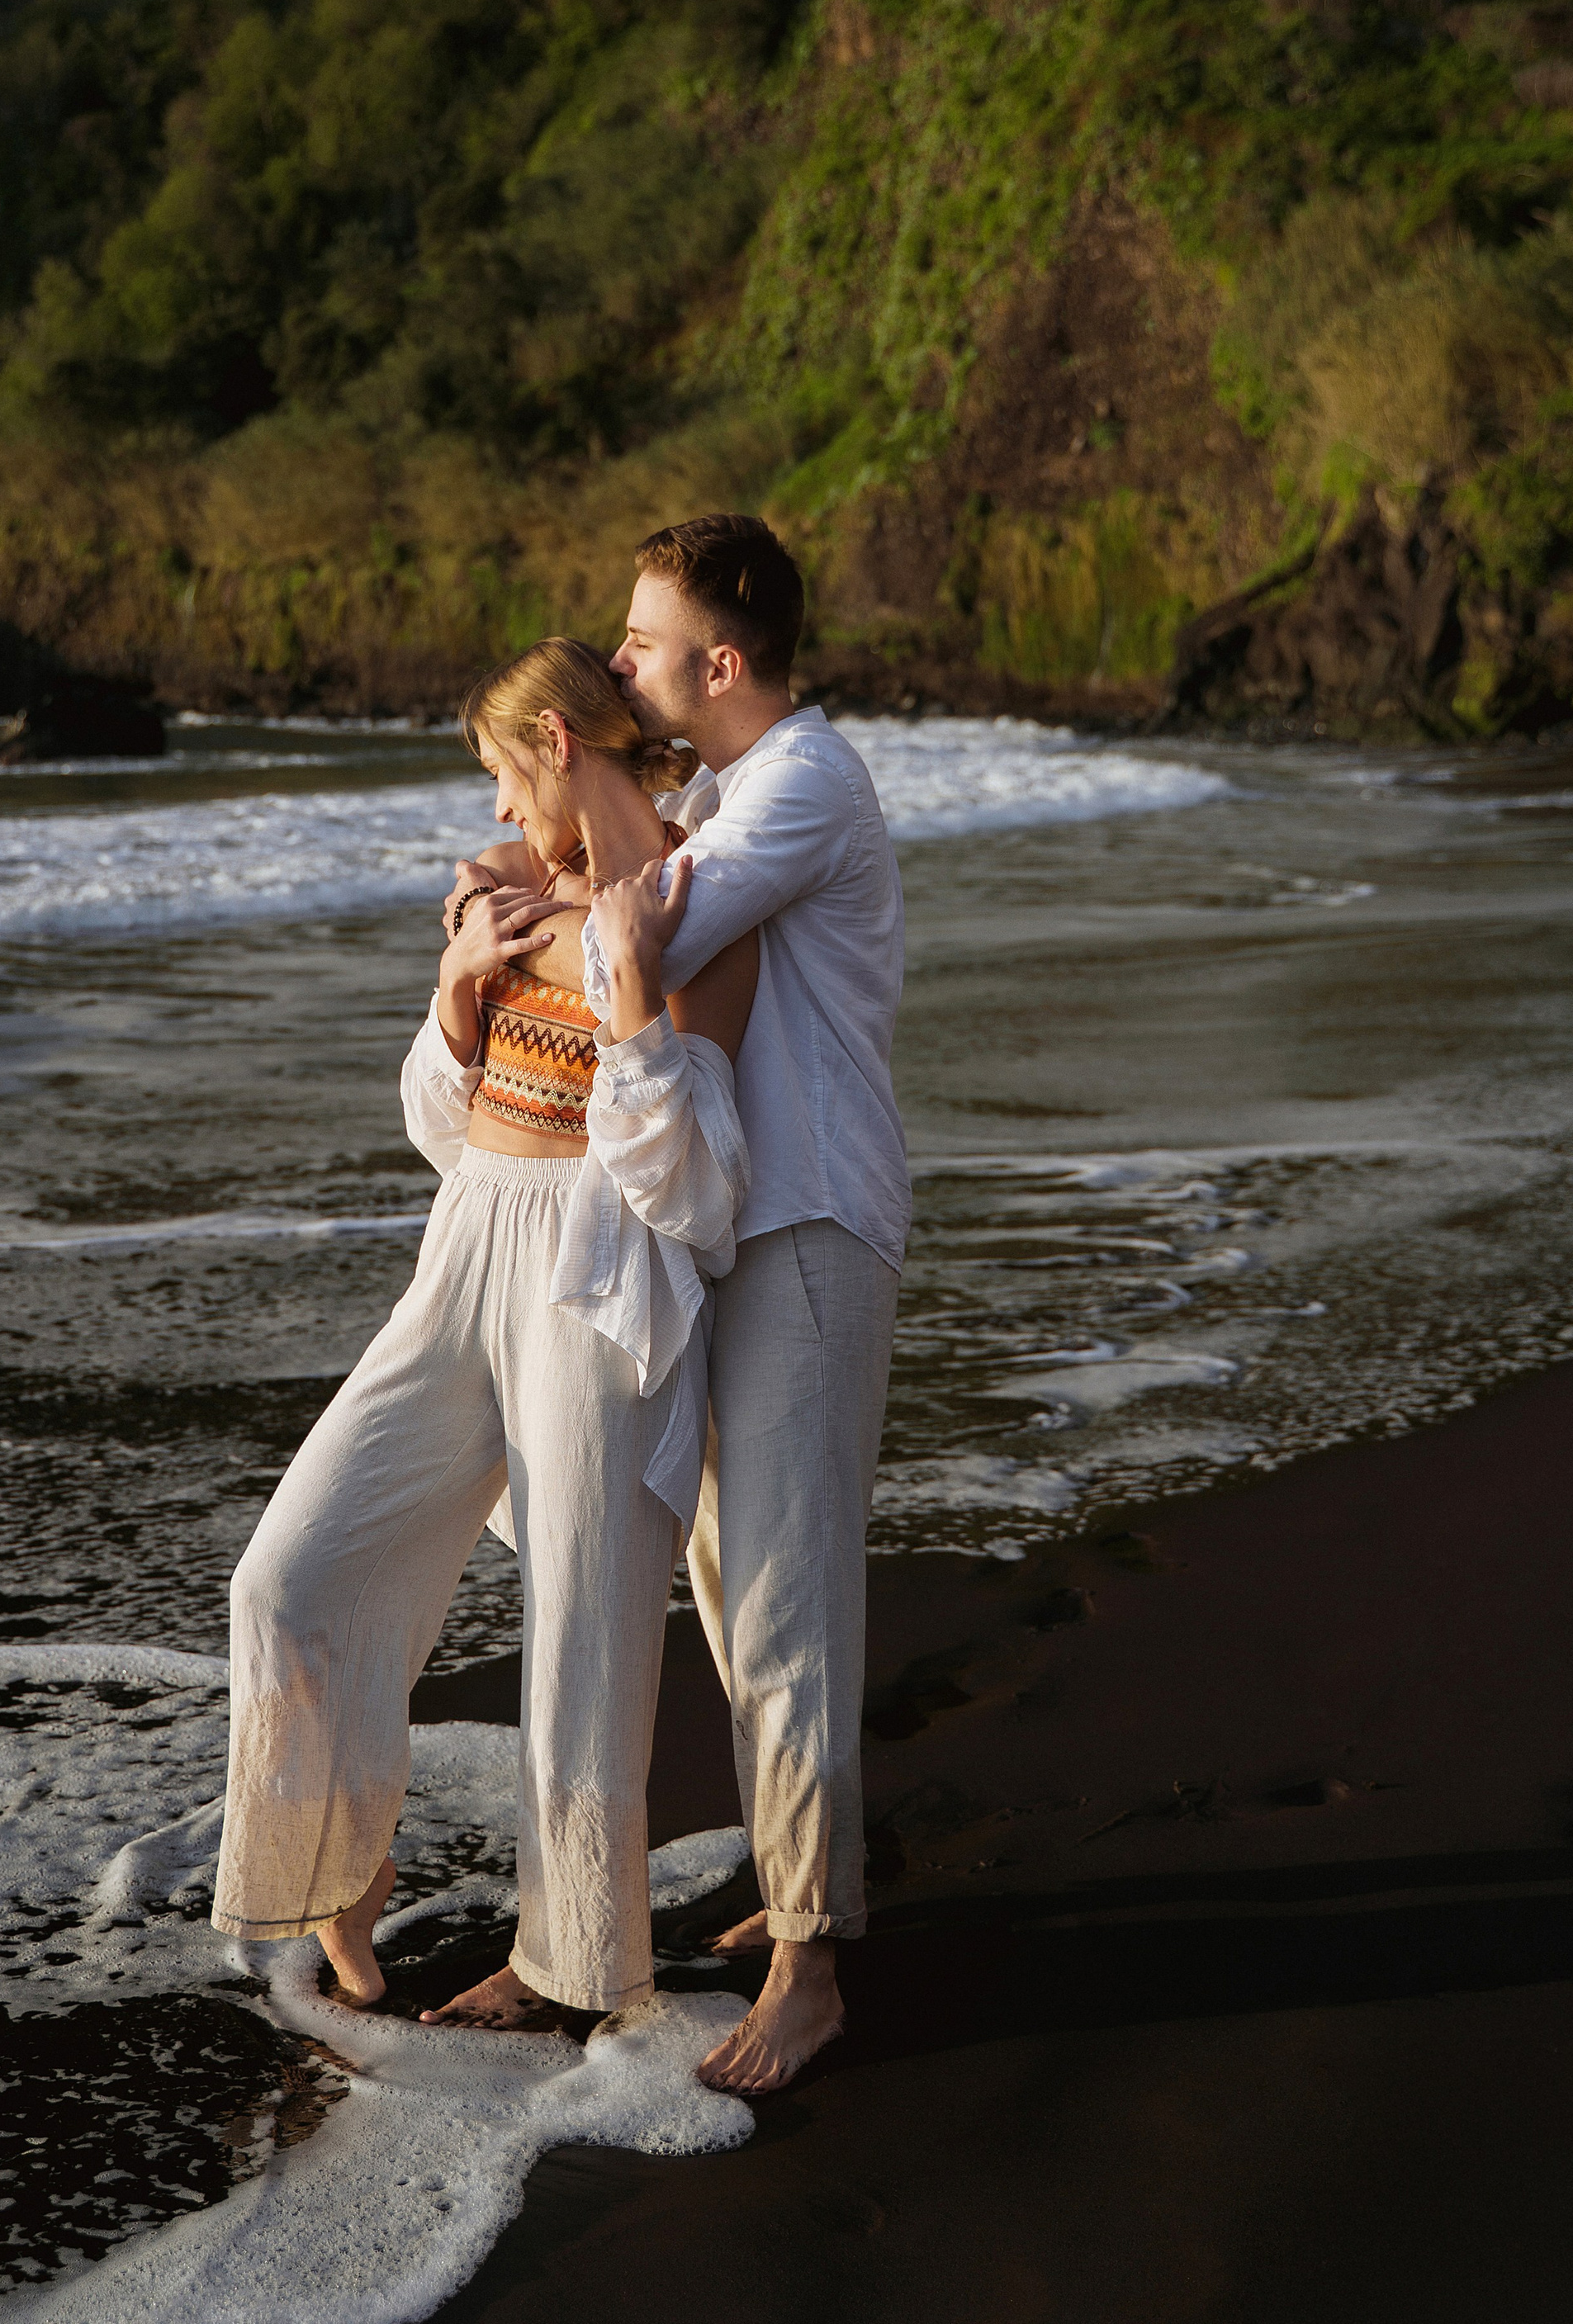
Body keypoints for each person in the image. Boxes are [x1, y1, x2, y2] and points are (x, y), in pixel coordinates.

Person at [211, 637, 760, 2031]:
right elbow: (444, 1132)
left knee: (583, 1629)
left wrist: (629, 989)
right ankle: (342, 1850)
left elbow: (692, 1188)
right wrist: (459, 989)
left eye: (510, 781)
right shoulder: (518, 895)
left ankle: (571, 1965)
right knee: (285, 1576)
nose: (503, 817)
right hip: (465, 1256)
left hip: (597, 1272)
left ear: (564, 748)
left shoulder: (698, 913)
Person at [600, 513, 909, 2097]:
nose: (621, 659)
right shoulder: (722, 792)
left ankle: (811, 1967)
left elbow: (653, 936)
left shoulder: (802, 780)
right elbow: (633, 920)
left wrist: (575, 836)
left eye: (643, 639)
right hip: (746, 1227)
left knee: (784, 1590)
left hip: (810, 1217)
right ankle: (801, 1891)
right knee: (733, 1581)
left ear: (722, 661)